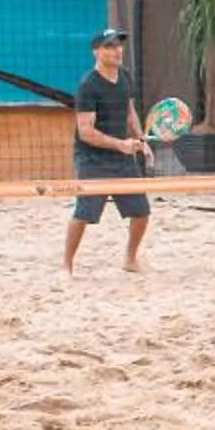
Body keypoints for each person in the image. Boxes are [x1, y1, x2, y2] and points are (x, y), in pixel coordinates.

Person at [64, 26, 154, 274]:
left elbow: (129, 111)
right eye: (110, 46)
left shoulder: (124, 76)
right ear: (96, 52)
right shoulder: (88, 86)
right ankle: (66, 265)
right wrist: (121, 144)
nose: (117, 50)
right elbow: (85, 131)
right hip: (93, 159)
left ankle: (130, 259)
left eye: (119, 44)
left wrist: (140, 138)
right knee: (84, 215)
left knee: (142, 213)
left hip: (122, 157)